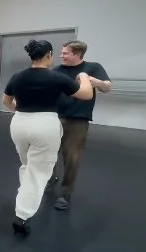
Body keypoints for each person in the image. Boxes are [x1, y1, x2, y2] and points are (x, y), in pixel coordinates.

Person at [3, 40, 93, 237]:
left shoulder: (17, 76)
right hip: (45, 125)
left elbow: (6, 101)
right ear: (49, 55)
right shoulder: (56, 77)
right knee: (37, 172)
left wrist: (24, 111)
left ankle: (25, 193)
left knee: (28, 165)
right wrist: (84, 77)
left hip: (19, 124)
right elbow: (86, 94)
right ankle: (22, 216)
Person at [48, 41, 112, 210]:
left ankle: (65, 193)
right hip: (54, 117)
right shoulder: (56, 71)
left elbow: (107, 87)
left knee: (72, 158)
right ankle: (50, 178)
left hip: (77, 120)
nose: (61, 55)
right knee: (49, 153)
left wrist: (93, 81)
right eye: (61, 53)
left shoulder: (93, 68)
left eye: (65, 53)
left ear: (77, 54)